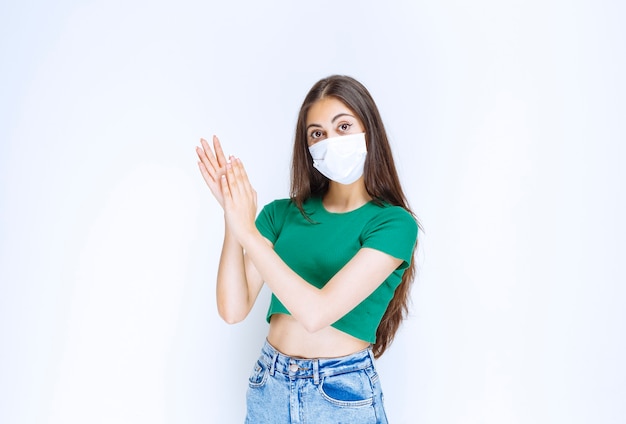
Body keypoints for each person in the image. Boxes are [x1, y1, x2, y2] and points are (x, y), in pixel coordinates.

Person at [195, 75, 419, 423]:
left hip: (342, 394)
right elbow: (233, 308)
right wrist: (232, 218)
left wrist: (247, 233)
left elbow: (317, 313)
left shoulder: (392, 224)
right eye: (317, 134)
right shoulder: (281, 214)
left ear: (369, 132)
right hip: (269, 385)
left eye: (343, 126)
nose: (330, 141)